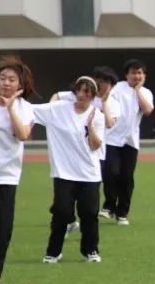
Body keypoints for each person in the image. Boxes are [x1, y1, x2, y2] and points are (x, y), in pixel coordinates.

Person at [31, 76, 106, 263]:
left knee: (89, 213)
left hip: (89, 174)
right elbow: (28, 111)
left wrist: (90, 126)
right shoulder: (57, 110)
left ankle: (91, 251)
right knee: (62, 212)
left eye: (87, 92)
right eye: (79, 91)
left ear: (93, 96)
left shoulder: (98, 116)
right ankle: (53, 252)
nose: (81, 95)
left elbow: (96, 145)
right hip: (63, 173)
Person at [51, 66, 120, 235]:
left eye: (107, 83)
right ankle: (68, 220)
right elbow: (58, 96)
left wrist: (104, 102)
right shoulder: (85, 94)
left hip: (96, 154)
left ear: (112, 86)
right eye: (100, 81)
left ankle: (79, 224)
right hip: (73, 152)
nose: (102, 85)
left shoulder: (113, 103)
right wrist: (54, 111)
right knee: (65, 193)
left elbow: (110, 123)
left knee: (86, 196)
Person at [0, 54, 37, 284]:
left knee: (0, 228)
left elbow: (22, 135)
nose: (5, 83)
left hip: (5, 175)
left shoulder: (24, 108)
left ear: (20, 85)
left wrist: (10, 109)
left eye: (11, 79)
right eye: (2, 78)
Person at [102, 59, 154, 225]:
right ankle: (109, 206)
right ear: (127, 74)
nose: (136, 76)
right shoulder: (117, 88)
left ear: (144, 75)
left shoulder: (146, 92)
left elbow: (147, 111)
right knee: (110, 173)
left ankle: (122, 213)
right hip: (111, 138)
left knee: (126, 177)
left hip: (130, 141)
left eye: (140, 73)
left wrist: (138, 90)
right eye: (133, 72)